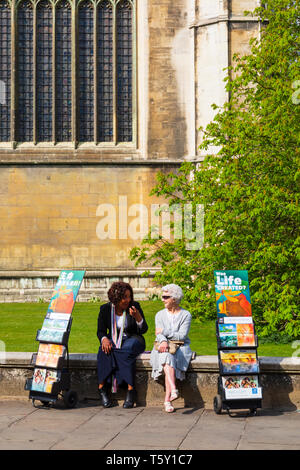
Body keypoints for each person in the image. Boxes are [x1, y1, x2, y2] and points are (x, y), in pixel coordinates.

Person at [97, 281, 148, 408]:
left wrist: (138, 317)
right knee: (104, 350)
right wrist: (104, 339)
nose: (128, 300)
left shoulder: (134, 306)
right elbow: (101, 331)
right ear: (116, 298)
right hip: (113, 338)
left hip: (133, 338)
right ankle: (102, 388)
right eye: (124, 297)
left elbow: (144, 329)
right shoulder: (105, 309)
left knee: (126, 350)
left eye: (129, 296)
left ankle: (130, 389)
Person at [150, 284, 193, 413]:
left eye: (165, 297)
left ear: (174, 298)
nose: (162, 299)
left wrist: (164, 332)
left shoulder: (186, 315)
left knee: (168, 358)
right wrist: (163, 340)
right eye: (162, 296)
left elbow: (182, 335)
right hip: (163, 346)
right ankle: (172, 393)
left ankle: (167, 400)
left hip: (180, 347)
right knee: (167, 356)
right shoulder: (159, 315)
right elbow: (159, 334)